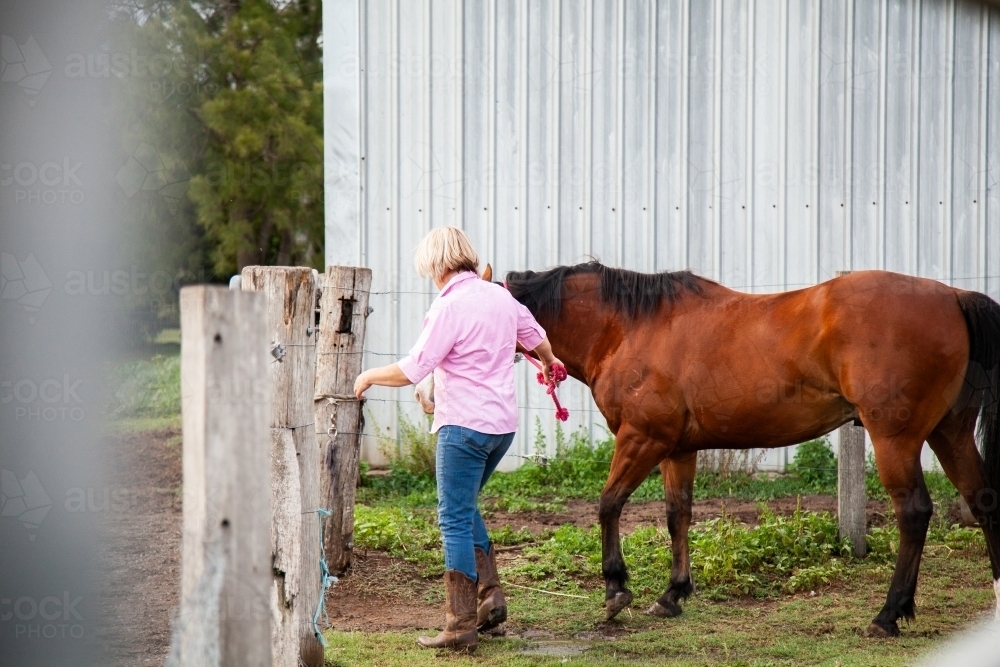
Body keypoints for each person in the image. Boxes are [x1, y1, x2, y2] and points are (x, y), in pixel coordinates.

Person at [353, 226, 563, 652]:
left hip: (463, 428)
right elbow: (539, 339)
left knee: (452, 516)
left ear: (438, 264)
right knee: (465, 506)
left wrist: (369, 376)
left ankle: (460, 622)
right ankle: (491, 599)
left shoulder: (448, 306)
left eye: (429, 268)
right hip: (501, 428)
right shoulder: (502, 297)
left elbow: (415, 368)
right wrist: (549, 361)